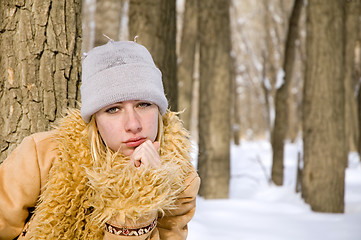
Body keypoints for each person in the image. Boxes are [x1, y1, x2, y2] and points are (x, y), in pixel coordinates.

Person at [0, 40, 200, 239]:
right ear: (95, 119)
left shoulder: (180, 179)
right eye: (113, 109)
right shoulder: (43, 157)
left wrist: (142, 195)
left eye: (144, 104)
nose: (133, 124)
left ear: (159, 110)